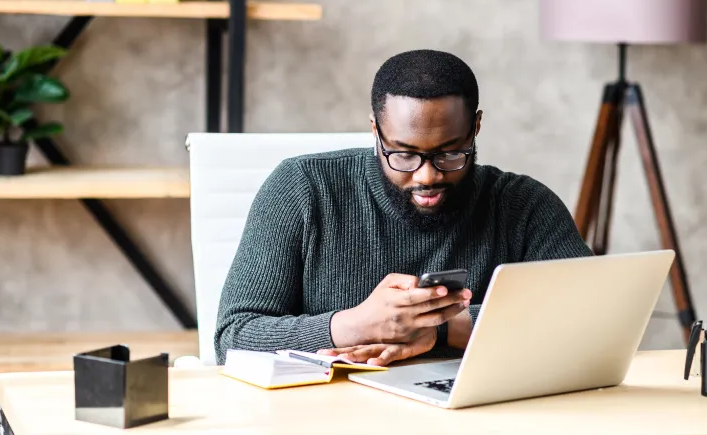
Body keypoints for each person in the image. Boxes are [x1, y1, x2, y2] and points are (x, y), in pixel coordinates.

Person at [214, 49, 593, 366]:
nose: (427, 176)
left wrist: (441, 327)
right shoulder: (302, 189)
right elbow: (233, 338)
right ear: (375, 130)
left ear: (475, 128)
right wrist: (360, 324)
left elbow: (593, 318)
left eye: (450, 154)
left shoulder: (522, 205)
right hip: (331, 421)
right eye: (404, 154)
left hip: (476, 417)